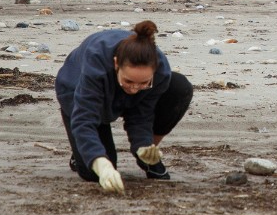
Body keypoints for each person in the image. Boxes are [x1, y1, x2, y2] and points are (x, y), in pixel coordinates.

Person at [55, 21, 193, 192]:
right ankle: (81, 154)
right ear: (116, 64)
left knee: (179, 87)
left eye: (143, 82)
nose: (134, 89)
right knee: (95, 173)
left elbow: (142, 114)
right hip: (75, 90)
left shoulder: (160, 71)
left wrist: (142, 145)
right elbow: (84, 119)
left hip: (118, 90)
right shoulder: (96, 64)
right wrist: (101, 164)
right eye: (129, 81)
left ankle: (147, 157)